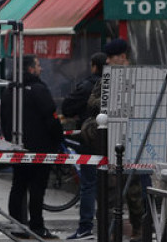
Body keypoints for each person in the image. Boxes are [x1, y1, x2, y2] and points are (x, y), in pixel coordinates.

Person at [82, 38, 146, 241]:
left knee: (134, 191)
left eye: (111, 58)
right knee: (109, 192)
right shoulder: (106, 79)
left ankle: (138, 229)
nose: (107, 62)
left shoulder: (138, 76)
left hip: (132, 140)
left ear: (122, 57)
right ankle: (109, 232)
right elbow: (91, 104)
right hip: (109, 141)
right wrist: (110, 100)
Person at [1, 54, 63, 239]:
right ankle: (37, 227)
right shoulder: (38, 89)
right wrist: (57, 139)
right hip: (40, 149)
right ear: (30, 69)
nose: (41, 68)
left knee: (18, 186)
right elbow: (51, 118)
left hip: (17, 147)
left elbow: (4, 118)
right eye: (37, 65)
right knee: (37, 189)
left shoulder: (9, 90)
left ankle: (17, 225)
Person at [62, 53, 107, 240]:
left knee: (89, 185)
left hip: (90, 142)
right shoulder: (117, 84)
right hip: (113, 144)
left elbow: (67, 107)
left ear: (94, 66)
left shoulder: (88, 86)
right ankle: (109, 228)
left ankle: (86, 228)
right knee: (111, 187)